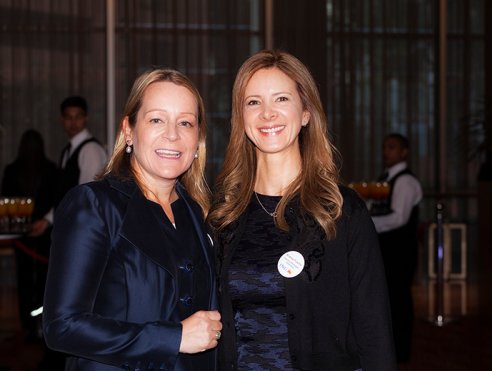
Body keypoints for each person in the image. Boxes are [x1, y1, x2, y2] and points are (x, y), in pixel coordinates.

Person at [209, 49, 396, 371]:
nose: (267, 114)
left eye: (281, 99)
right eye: (253, 102)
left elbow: (373, 327)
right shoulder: (223, 214)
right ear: (240, 118)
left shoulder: (341, 210)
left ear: (306, 112)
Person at [42, 68, 222, 370]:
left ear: (198, 139)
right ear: (128, 130)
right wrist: (173, 337)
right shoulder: (94, 205)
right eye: (156, 119)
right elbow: (62, 326)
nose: (173, 134)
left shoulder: (196, 211)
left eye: (185, 123)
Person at [371, 133, 423, 364]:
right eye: (384, 147)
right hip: (386, 249)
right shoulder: (386, 178)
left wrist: (368, 223)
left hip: (400, 251)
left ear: (404, 152)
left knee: (399, 299)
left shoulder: (406, 181)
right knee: (388, 299)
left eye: (391, 147)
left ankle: (401, 353)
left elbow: (399, 218)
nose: (386, 151)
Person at [1, 129, 58, 341]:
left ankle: (37, 323)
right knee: (28, 279)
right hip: (26, 234)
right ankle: (30, 323)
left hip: (42, 232)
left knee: (41, 279)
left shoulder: (50, 170)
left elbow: (56, 198)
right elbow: (7, 200)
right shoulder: (14, 170)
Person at [30, 95, 108, 237]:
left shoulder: (90, 150)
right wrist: (48, 220)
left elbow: (88, 197)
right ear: (62, 120)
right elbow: (65, 194)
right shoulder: (67, 150)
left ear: (86, 118)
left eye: (78, 117)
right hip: (73, 227)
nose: (73, 122)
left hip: (86, 229)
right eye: (68, 117)